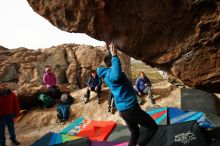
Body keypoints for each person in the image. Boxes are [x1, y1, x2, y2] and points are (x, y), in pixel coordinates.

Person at [97, 43, 158, 146]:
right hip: (130, 109)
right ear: (112, 62)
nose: (119, 61)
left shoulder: (107, 74)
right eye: (117, 60)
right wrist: (115, 56)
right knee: (153, 127)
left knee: (135, 132)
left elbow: (116, 75)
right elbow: (116, 76)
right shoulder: (113, 75)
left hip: (124, 110)